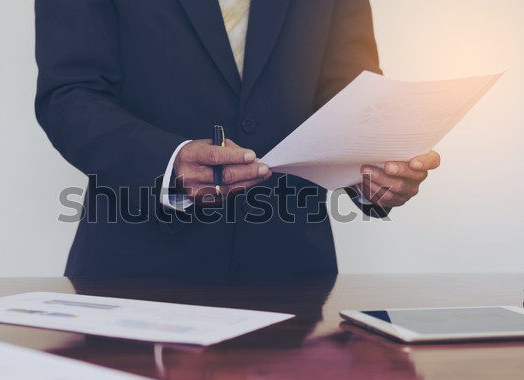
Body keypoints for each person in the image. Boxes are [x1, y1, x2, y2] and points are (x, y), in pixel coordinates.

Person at [35, 0, 440, 285]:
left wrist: (377, 163)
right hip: (136, 272)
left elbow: (349, 90)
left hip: (293, 278)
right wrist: (168, 161)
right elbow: (70, 94)